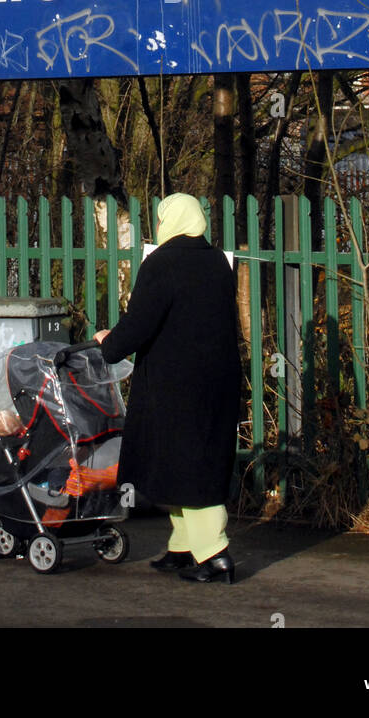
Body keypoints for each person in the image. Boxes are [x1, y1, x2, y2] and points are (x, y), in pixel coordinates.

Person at [94, 192, 241, 584]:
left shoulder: (160, 264)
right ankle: (183, 546)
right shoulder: (217, 263)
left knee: (188, 468)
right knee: (194, 461)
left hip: (175, 386)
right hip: (218, 381)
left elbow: (141, 321)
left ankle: (214, 554)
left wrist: (108, 344)